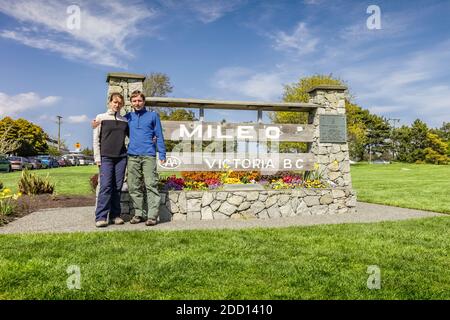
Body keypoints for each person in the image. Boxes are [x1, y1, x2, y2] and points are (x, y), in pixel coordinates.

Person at [126, 90, 166, 226]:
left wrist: (162, 154)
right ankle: (139, 214)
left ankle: (152, 216)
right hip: (132, 155)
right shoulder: (128, 117)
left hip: (148, 155)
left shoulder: (153, 116)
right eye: (134, 101)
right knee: (133, 186)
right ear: (131, 103)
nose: (137, 103)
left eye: (139, 101)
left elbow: (159, 135)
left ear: (144, 102)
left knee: (151, 185)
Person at [93, 92, 129, 228]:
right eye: (115, 102)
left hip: (121, 158)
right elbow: (96, 139)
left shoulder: (125, 121)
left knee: (117, 187)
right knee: (106, 186)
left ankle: (115, 215)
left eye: (120, 103)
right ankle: (101, 216)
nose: (117, 105)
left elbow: (134, 136)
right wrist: (97, 158)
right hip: (105, 157)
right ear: (109, 102)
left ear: (122, 104)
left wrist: (152, 138)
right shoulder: (100, 118)